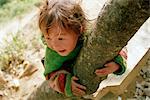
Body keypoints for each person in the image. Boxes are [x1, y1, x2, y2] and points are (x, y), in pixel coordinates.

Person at [38, 0, 127, 97]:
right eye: (48, 38)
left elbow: (116, 45)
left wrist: (118, 63)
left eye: (60, 38)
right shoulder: (52, 54)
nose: (55, 45)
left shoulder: (92, 34)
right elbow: (50, 75)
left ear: (78, 29)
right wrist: (66, 85)